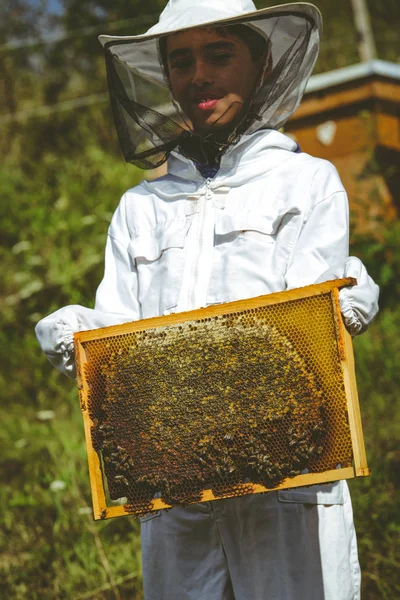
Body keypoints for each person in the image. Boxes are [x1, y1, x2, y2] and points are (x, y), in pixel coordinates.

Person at [35, 1, 380, 598]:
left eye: (219, 54)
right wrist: (79, 334)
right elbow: (122, 338)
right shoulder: (140, 208)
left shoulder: (307, 183)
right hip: (176, 502)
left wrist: (338, 307)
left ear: (262, 62)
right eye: (181, 60)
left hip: (287, 492)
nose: (199, 76)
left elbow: (303, 343)